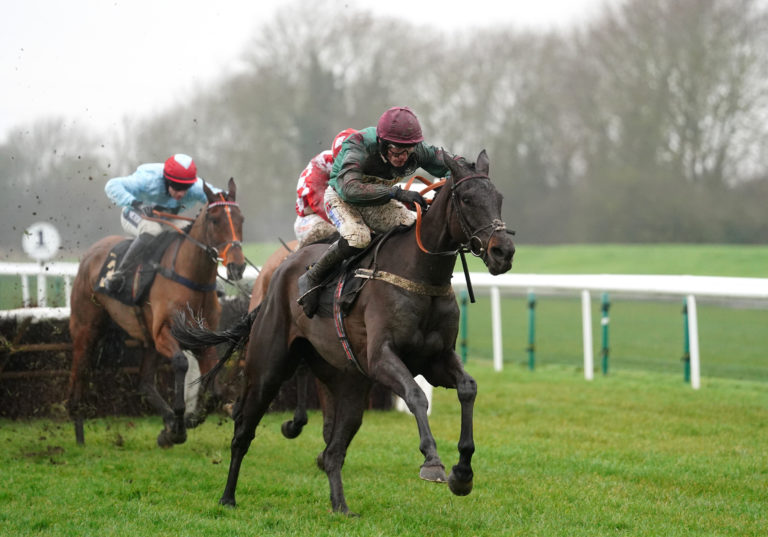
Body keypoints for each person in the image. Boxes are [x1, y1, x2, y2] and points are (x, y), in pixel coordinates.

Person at [297, 106, 460, 317]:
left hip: (378, 200)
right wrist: (398, 194)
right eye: (395, 151)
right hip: (342, 198)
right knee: (359, 238)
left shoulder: (416, 150)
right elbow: (350, 189)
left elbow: (451, 163)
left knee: (412, 228)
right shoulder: (358, 144)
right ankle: (313, 276)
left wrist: (466, 174)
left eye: (408, 151)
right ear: (382, 143)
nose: (402, 157)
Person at [103, 153, 220, 292]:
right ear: (166, 180)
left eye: (185, 187)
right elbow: (112, 185)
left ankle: (208, 278)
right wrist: (136, 203)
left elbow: (219, 196)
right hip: (135, 214)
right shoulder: (148, 179)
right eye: (177, 187)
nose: (181, 194)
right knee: (153, 230)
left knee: (191, 232)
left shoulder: (196, 186)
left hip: (166, 218)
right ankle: (120, 274)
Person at [293, 128, 357, 247]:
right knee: (337, 231)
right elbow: (321, 207)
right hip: (311, 219)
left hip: (344, 213)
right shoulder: (321, 164)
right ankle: (315, 265)